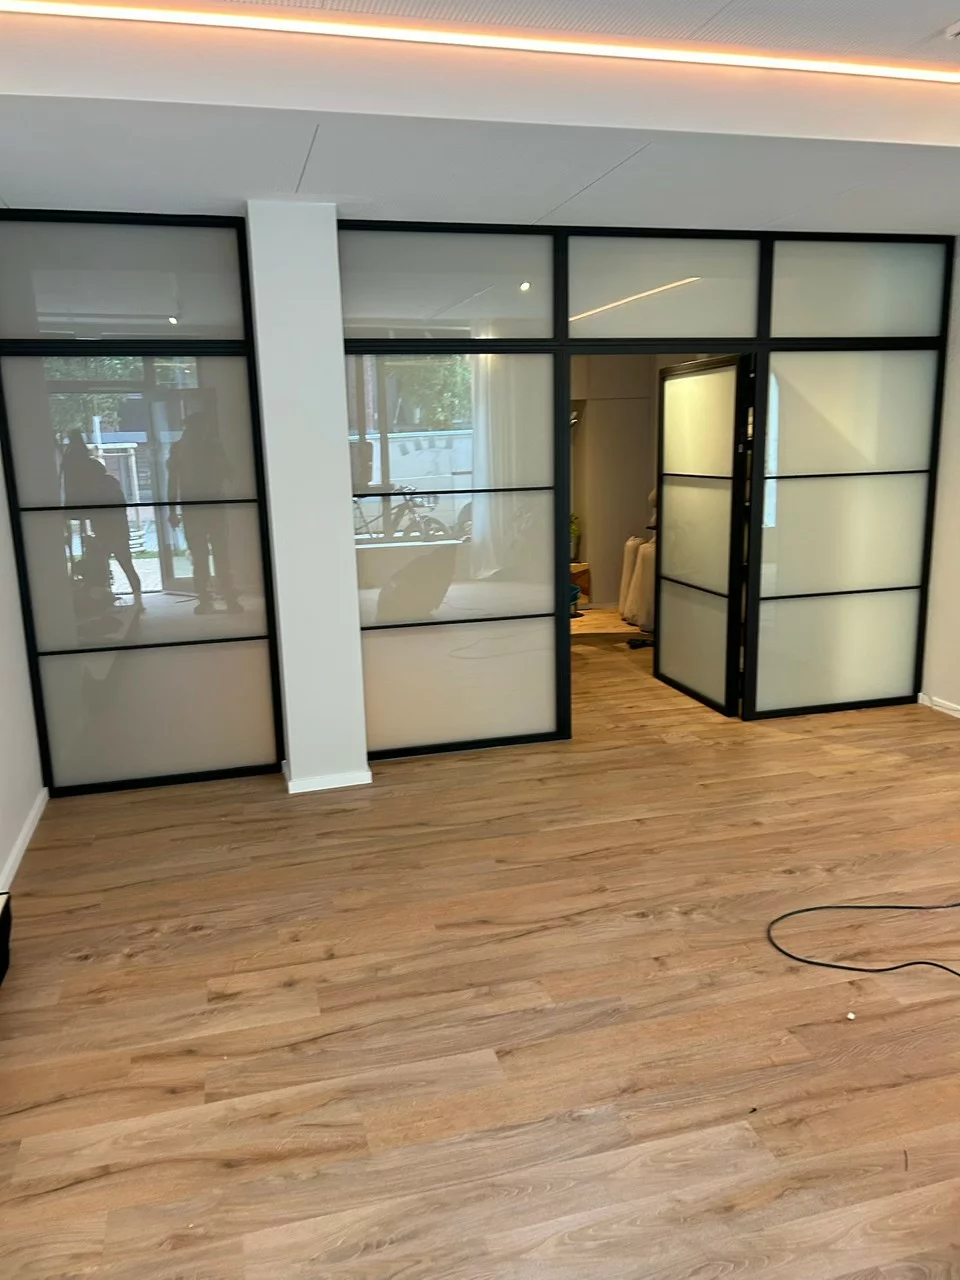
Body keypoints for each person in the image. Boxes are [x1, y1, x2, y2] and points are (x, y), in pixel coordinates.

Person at [167, 412, 242, 615]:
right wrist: (172, 510)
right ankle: (214, 598)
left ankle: (219, 598)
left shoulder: (207, 447)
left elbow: (229, 473)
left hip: (207, 507)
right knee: (209, 556)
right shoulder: (181, 449)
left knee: (214, 555)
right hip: (200, 508)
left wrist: (172, 510)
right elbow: (173, 481)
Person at [61, 431, 143, 609]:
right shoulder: (110, 484)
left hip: (108, 531)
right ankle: (137, 600)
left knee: (107, 566)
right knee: (125, 565)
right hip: (116, 530)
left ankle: (115, 598)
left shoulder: (97, 488)